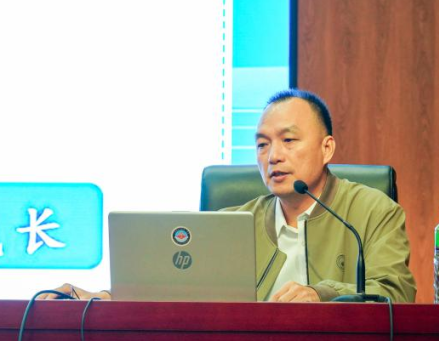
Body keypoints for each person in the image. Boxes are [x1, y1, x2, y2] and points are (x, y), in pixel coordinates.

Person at [42, 89, 416, 303]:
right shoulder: (234, 222)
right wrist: (102, 298)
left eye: (288, 140)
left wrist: (320, 294)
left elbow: (395, 293)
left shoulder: (372, 211)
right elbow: (176, 289)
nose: (273, 156)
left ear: (327, 147)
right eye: (262, 144)